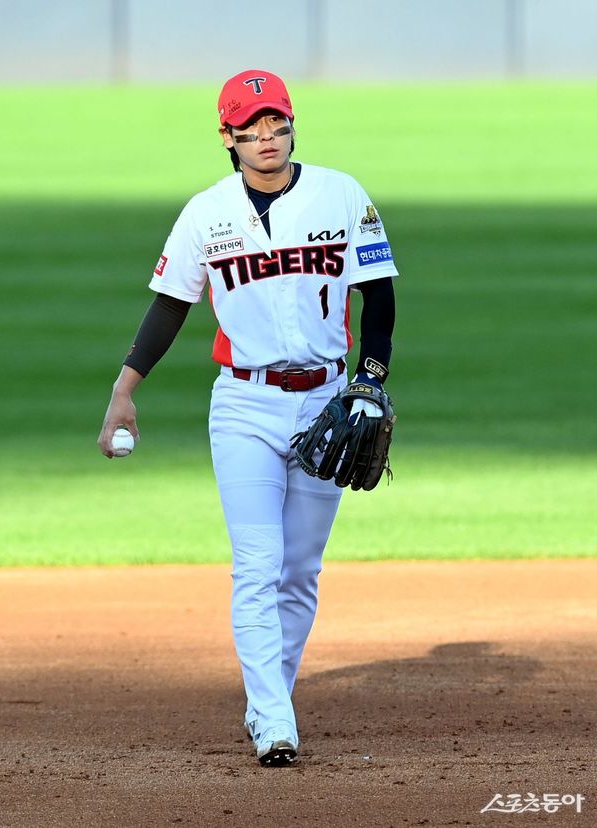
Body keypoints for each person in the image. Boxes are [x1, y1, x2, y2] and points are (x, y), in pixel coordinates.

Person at [97, 69, 398, 766]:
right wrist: (124, 389)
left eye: (277, 123)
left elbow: (379, 295)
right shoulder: (206, 214)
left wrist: (369, 379)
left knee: (300, 570)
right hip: (244, 405)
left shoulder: (341, 194)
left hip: (326, 400)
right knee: (258, 564)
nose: (267, 137)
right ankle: (274, 720)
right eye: (251, 127)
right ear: (227, 137)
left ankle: (270, 701)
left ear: (292, 126)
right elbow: (170, 304)